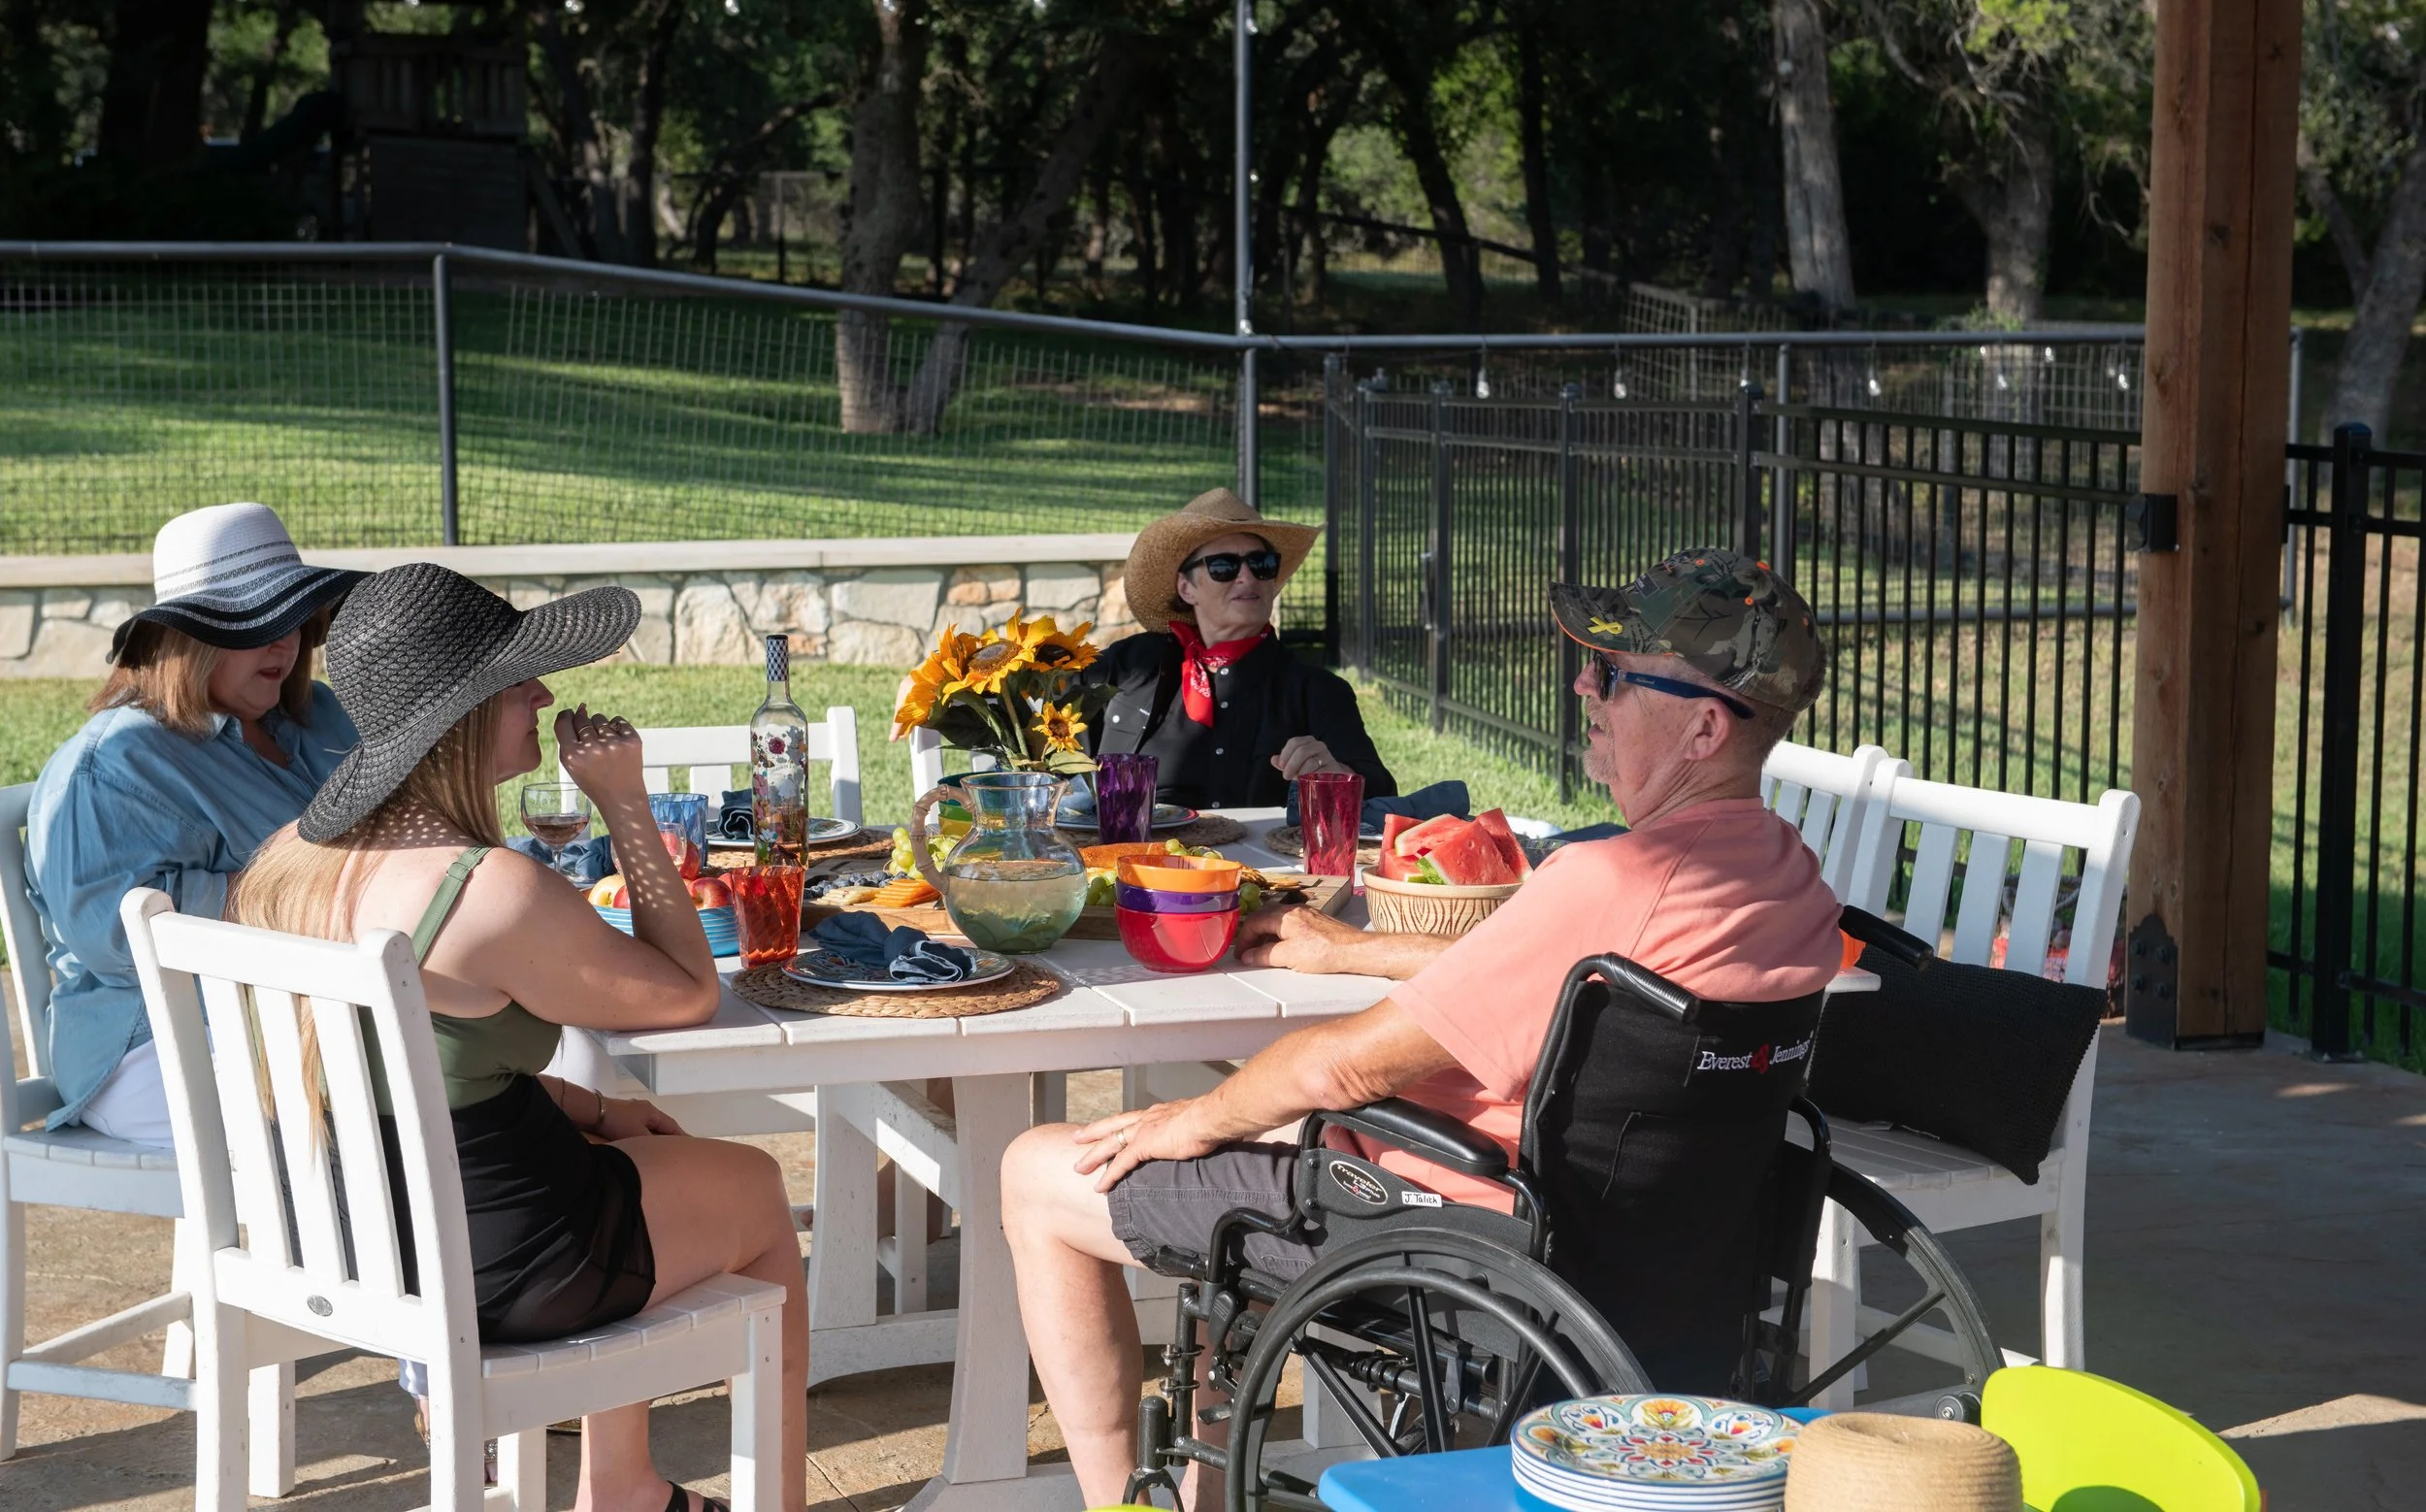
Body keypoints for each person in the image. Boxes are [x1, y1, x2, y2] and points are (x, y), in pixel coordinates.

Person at [1001, 547, 1844, 1507]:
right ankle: (1205, 1485)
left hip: (1462, 1245)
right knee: (1261, 1122)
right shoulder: (1786, 877)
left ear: (1701, 727)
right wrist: (1344, 952)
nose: (1584, 683)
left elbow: (1345, 1066)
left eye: (1611, 671)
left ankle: (1122, 1499)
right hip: (1653, 1259)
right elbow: (1574, 978)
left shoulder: (1610, 879)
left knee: (1042, 1170)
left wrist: (1188, 1119)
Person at [231, 563, 806, 1512]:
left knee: (632, 1149)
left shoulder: (291, 862)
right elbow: (686, 991)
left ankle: (622, 1480)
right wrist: (623, 801)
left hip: (357, 1241)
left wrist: (591, 1104)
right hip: (501, 1258)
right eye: (517, 681)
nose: (541, 693)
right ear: (460, 714)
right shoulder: (488, 890)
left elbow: (418, 1077)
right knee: (750, 1185)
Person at [26, 502, 364, 1145]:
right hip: (155, 1042)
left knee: (505, 1067)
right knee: (393, 1119)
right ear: (187, 639)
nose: (283, 639)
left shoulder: (318, 716)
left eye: (292, 614)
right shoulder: (116, 762)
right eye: (253, 621)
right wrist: (315, 887)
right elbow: (112, 937)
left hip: (315, 1013)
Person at [1082, 488, 1395, 809]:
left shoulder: (1317, 691)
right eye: (1223, 567)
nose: (1247, 577)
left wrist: (1336, 775)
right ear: (1186, 588)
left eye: (1261, 564)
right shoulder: (1125, 666)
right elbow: (1051, 758)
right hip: (1130, 853)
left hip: (1264, 859)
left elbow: (1382, 797)